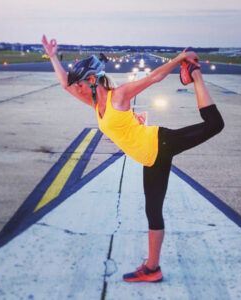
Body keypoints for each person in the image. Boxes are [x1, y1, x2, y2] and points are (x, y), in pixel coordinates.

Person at [42, 35, 224, 282]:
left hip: (161, 143)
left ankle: (195, 75)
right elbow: (65, 84)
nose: (78, 89)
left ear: (93, 80)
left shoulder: (119, 95)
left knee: (214, 125)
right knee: (153, 211)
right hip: (151, 159)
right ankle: (153, 269)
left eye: (81, 84)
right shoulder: (95, 102)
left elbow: (154, 77)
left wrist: (180, 58)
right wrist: (53, 56)